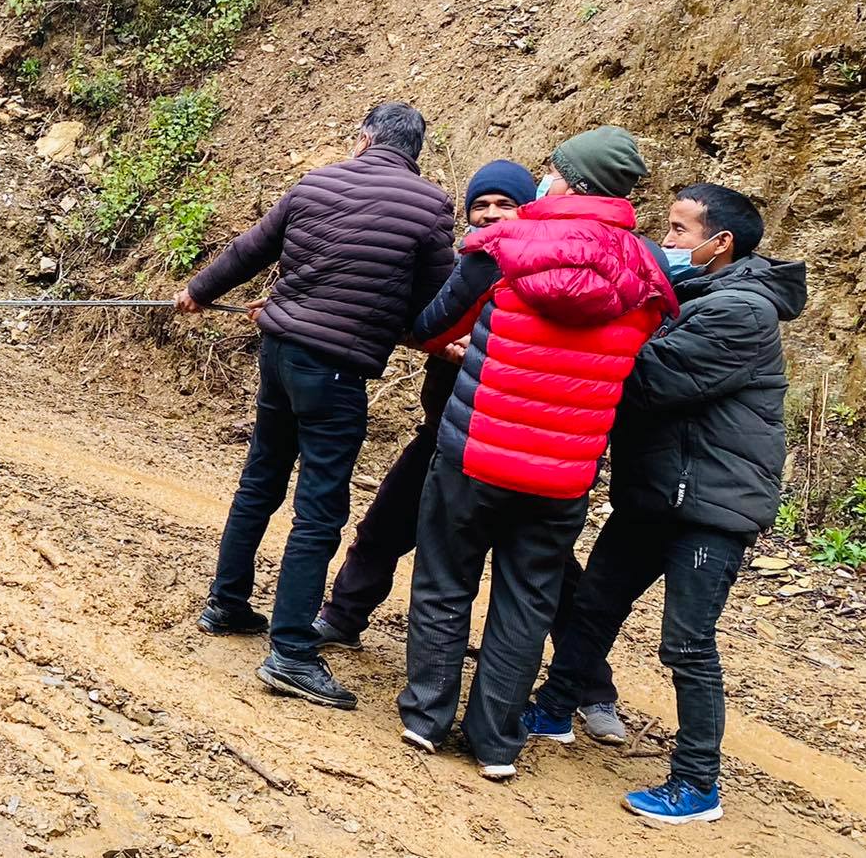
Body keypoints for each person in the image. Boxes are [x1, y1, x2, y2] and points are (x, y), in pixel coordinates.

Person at [313, 158, 628, 747]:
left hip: (528, 447)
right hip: (447, 435)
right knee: (384, 526)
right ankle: (343, 616)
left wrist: (474, 348)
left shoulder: (526, 265)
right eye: (479, 206)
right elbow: (422, 323)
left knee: (547, 579)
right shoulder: (466, 266)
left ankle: (590, 687)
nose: (489, 214)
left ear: (529, 207)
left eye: (502, 205)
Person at [396, 125, 676, 781]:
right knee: (526, 601)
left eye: (553, 170)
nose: (544, 178)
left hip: (476, 451)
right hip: (565, 471)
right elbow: (646, 355)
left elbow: (432, 325)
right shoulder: (651, 269)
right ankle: (496, 743)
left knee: (445, 582)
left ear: (571, 181)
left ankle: (427, 717)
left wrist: (475, 335)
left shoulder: (502, 246)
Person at [521, 184, 804, 823]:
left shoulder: (742, 311)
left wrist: (591, 324)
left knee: (687, 643)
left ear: (720, 243)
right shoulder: (698, 296)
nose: (668, 241)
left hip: (709, 505)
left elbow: (649, 378)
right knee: (594, 605)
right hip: (659, 492)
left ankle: (698, 784)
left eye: (678, 230)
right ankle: (554, 709)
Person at [174, 102, 455, 710]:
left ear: (365, 138)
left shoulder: (317, 181)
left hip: (278, 352)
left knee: (261, 478)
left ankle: (226, 603)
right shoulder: (431, 206)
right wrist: (425, 336)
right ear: (415, 151)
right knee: (321, 509)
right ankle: (292, 653)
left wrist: (199, 291)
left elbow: (251, 249)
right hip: (336, 368)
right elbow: (438, 302)